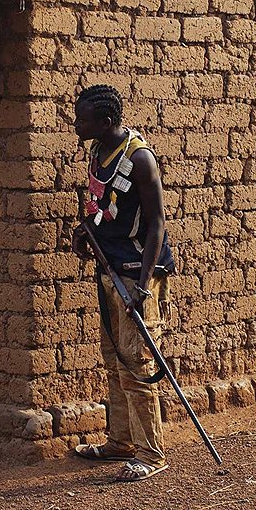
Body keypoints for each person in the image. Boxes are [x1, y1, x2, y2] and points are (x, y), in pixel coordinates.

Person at [68, 84, 176, 483]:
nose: (76, 124)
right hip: (109, 267)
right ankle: (121, 442)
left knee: (137, 364)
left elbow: (157, 226)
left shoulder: (140, 160)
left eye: (83, 118)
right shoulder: (97, 152)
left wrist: (143, 287)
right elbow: (105, 207)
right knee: (115, 360)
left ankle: (152, 454)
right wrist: (87, 232)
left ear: (106, 121)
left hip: (136, 273)